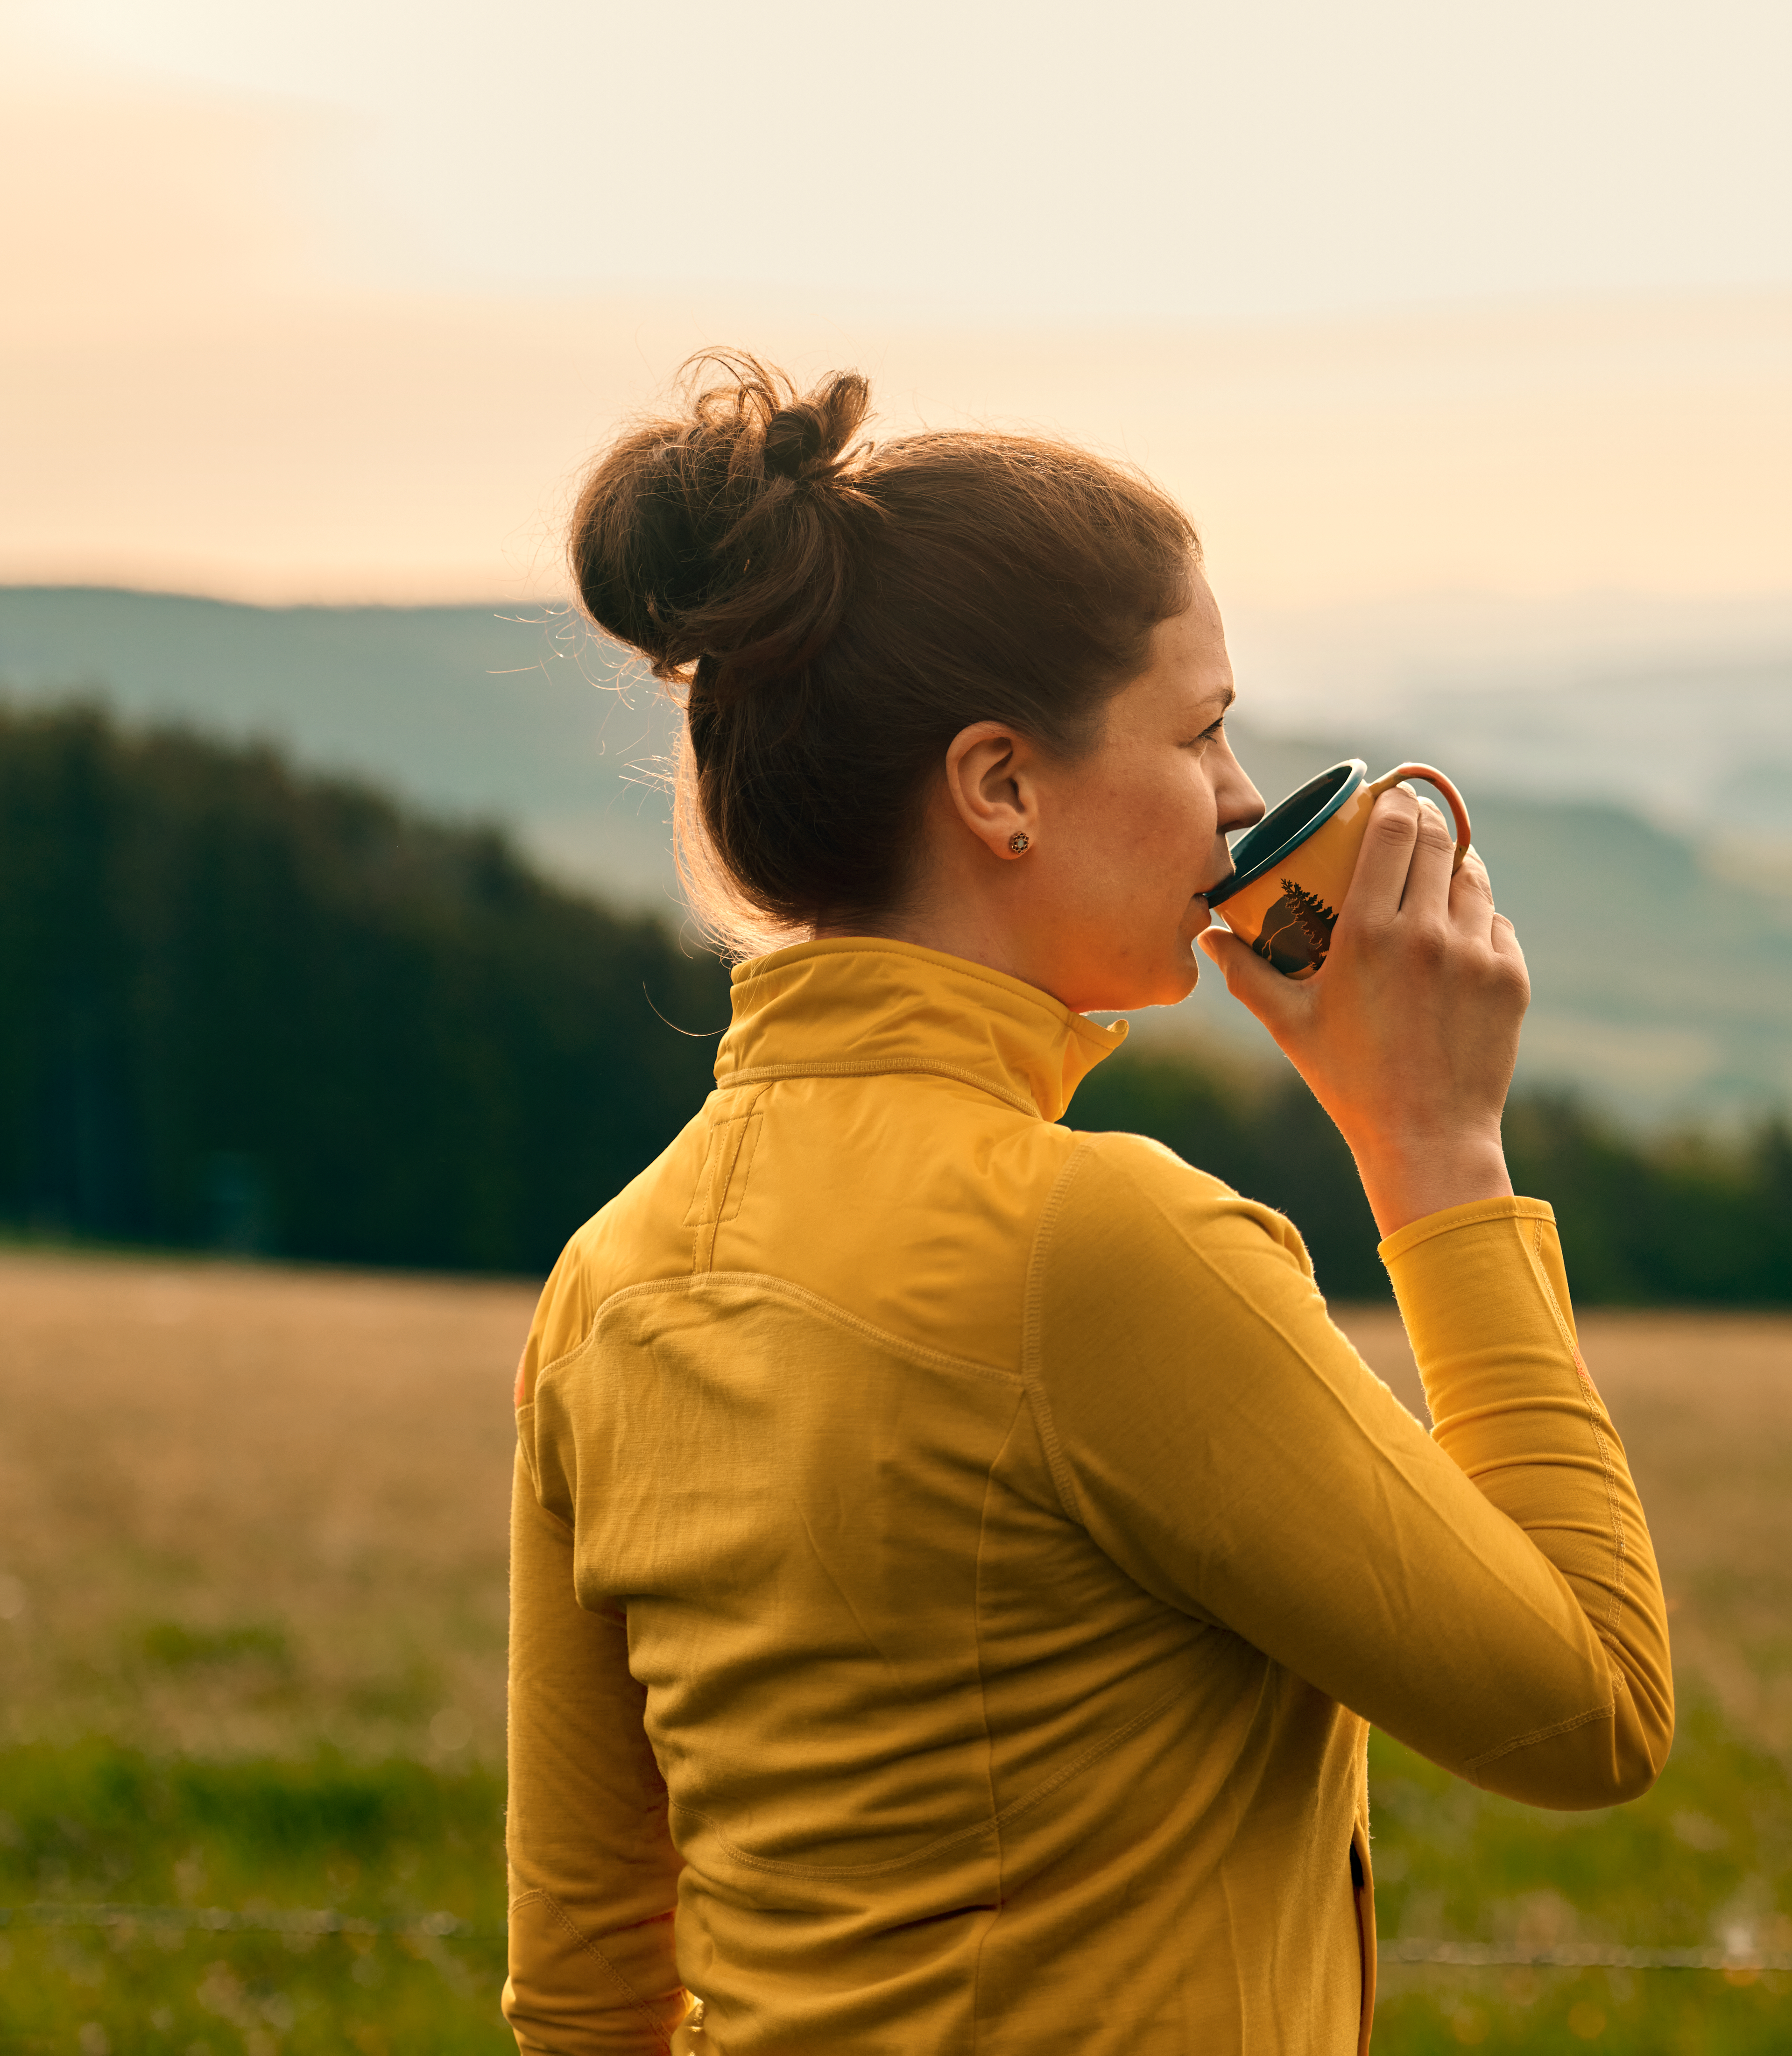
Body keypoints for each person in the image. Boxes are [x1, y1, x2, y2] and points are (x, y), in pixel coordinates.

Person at [505, 353, 1674, 2053]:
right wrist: (1436, 1151)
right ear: (999, 786)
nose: (1235, 796)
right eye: (1198, 728)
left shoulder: (609, 1284)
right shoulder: (1101, 1249)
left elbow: (586, 1996)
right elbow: (1593, 1711)